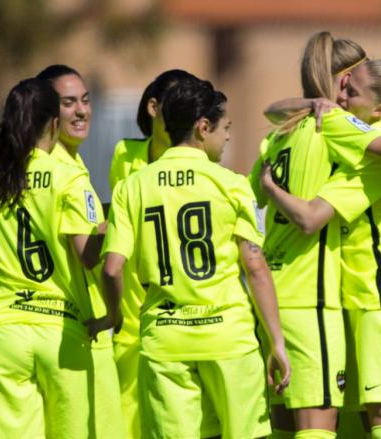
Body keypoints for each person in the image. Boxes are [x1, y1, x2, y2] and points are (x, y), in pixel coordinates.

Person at [251, 32, 381, 439]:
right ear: (341, 81)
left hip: (283, 292)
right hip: (327, 296)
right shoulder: (337, 126)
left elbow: (271, 114)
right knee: (340, 420)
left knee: (290, 421)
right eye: (355, 78)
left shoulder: (276, 136)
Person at [101, 78, 290, 439]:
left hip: (165, 338)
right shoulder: (231, 184)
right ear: (203, 128)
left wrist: (114, 316)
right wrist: (276, 340)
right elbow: (255, 267)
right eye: (226, 128)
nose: (229, 136)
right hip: (228, 337)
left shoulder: (133, 186)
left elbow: (112, 269)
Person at [0, 78, 108, 437]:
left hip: (3, 330)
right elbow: (87, 257)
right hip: (61, 331)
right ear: (54, 124)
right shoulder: (69, 176)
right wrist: (109, 226)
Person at [106, 68, 222, 439]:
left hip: (185, 321)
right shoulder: (125, 155)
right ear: (154, 108)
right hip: (131, 323)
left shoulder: (204, 164)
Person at [36, 64, 123, 438]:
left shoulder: (68, 162)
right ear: (45, 111)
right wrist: (122, 219)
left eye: (85, 101)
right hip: (68, 326)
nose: (82, 111)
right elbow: (86, 254)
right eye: (68, 103)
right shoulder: (62, 170)